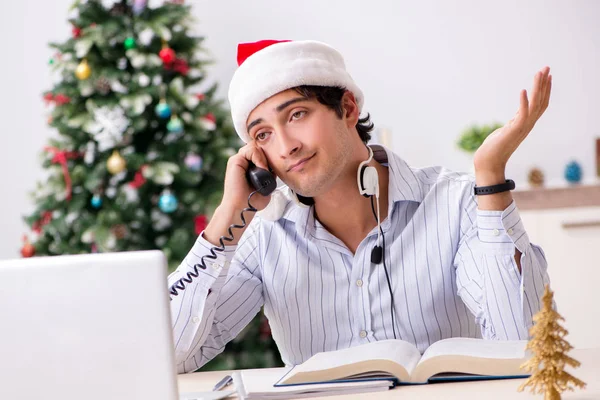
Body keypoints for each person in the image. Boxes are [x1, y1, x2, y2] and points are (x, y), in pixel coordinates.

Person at [168, 39, 552, 373]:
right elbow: (172, 356)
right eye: (263, 134)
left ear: (348, 108)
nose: (286, 147)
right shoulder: (263, 236)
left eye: (297, 115)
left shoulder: (457, 203)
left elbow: (519, 344)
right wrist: (226, 219)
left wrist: (490, 178)